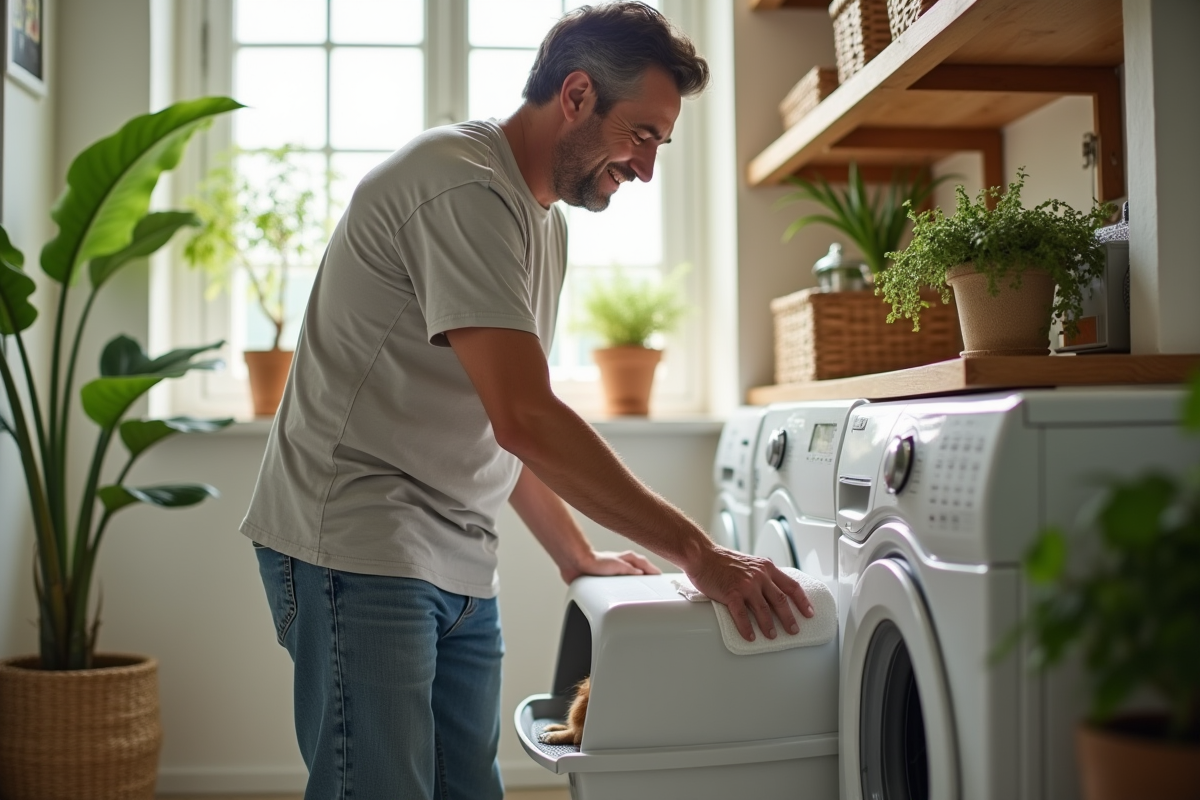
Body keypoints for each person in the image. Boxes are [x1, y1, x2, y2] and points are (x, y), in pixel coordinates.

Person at [241, 3, 814, 799]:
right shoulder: (461, 186)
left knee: (467, 788)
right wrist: (701, 555)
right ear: (576, 94)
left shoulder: (543, 221)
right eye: (642, 135)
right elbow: (528, 416)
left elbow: (498, 421)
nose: (648, 169)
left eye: (661, 144)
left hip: (458, 553)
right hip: (359, 538)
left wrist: (574, 556)